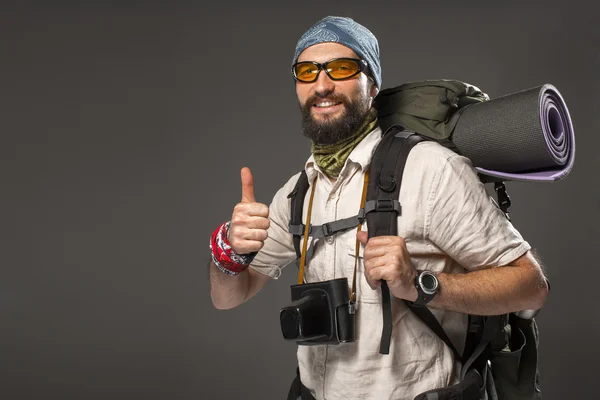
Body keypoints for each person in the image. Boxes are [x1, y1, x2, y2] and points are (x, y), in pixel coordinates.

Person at [208, 16, 548, 400]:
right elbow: (227, 297)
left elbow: (531, 286)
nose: (322, 85)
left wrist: (421, 283)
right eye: (307, 71)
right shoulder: (300, 191)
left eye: (342, 68)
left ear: (373, 84)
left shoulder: (430, 169)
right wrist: (228, 252)